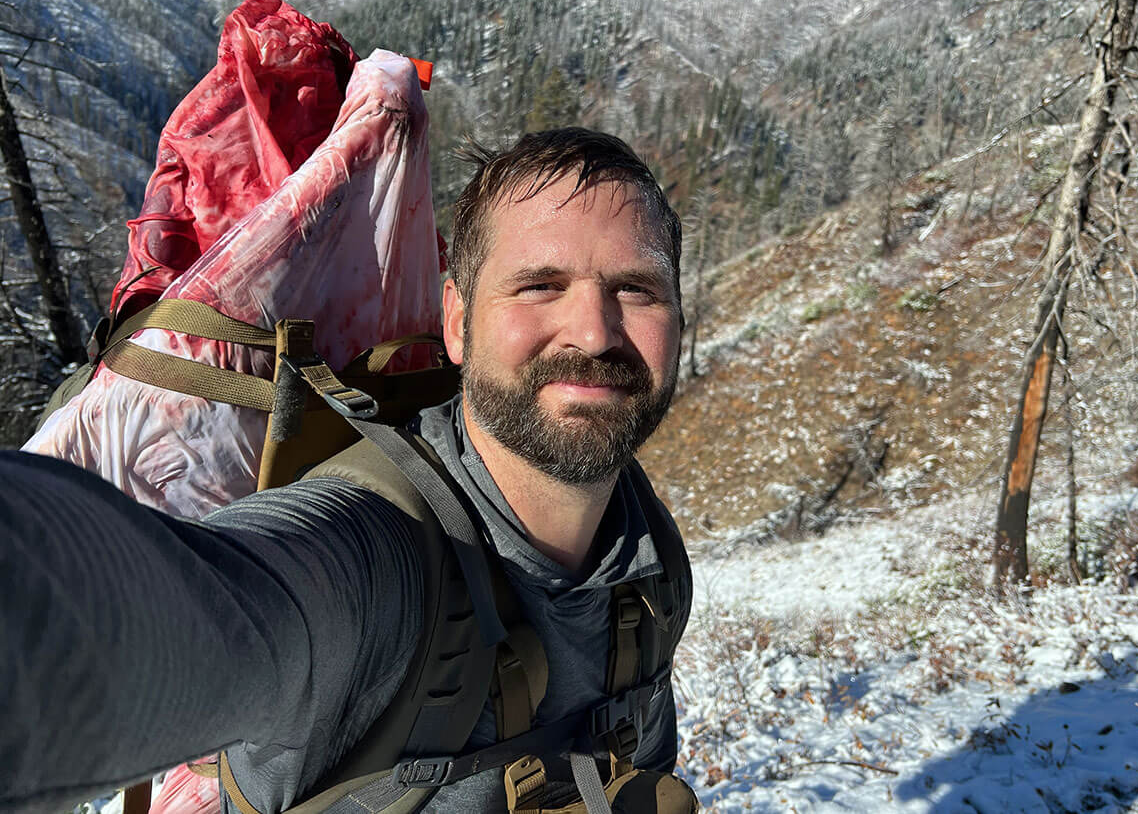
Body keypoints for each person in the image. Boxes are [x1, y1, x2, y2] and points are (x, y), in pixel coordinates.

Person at [0, 128, 693, 814]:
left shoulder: (646, 556)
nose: (595, 332)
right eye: (540, 285)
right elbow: (181, 607)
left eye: (636, 289)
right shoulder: (368, 558)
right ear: (457, 321)